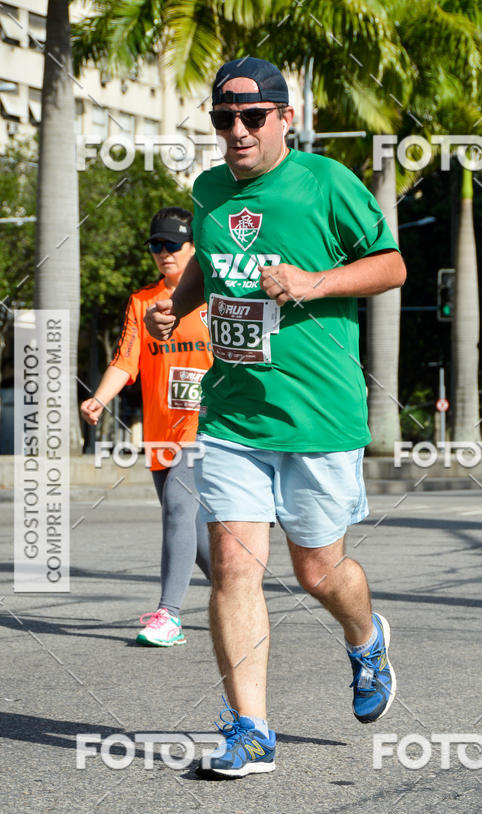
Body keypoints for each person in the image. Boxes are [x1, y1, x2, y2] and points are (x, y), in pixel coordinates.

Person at [145, 58, 407, 777]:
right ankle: (250, 729)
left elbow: (391, 266)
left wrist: (311, 282)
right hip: (232, 414)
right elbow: (211, 261)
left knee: (320, 571)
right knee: (232, 566)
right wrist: (181, 304)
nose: (237, 131)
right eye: (223, 119)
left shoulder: (327, 184)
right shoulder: (207, 192)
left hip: (318, 417)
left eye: (252, 117)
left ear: (285, 118)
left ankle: (364, 639)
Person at [81, 207, 212, 647]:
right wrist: (99, 399)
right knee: (192, 535)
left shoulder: (213, 296)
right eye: (156, 245)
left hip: (205, 428)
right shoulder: (142, 302)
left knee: (178, 508)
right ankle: (239, 591)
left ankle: (168, 616)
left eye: (172, 244)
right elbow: (125, 360)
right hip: (162, 433)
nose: (163, 253)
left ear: (193, 247)